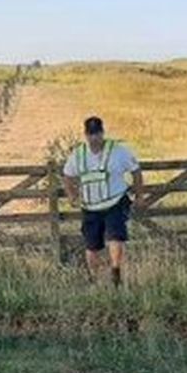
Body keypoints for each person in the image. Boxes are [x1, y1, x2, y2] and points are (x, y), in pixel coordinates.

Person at [62, 115, 142, 286]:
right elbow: (67, 176)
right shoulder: (78, 154)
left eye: (97, 133)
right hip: (90, 207)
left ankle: (115, 272)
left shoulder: (118, 150)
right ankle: (94, 279)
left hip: (115, 202)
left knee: (116, 236)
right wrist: (71, 195)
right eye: (91, 134)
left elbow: (135, 170)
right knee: (92, 245)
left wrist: (138, 193)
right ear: (86, 135)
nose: (94, 138)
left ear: (102, 133)